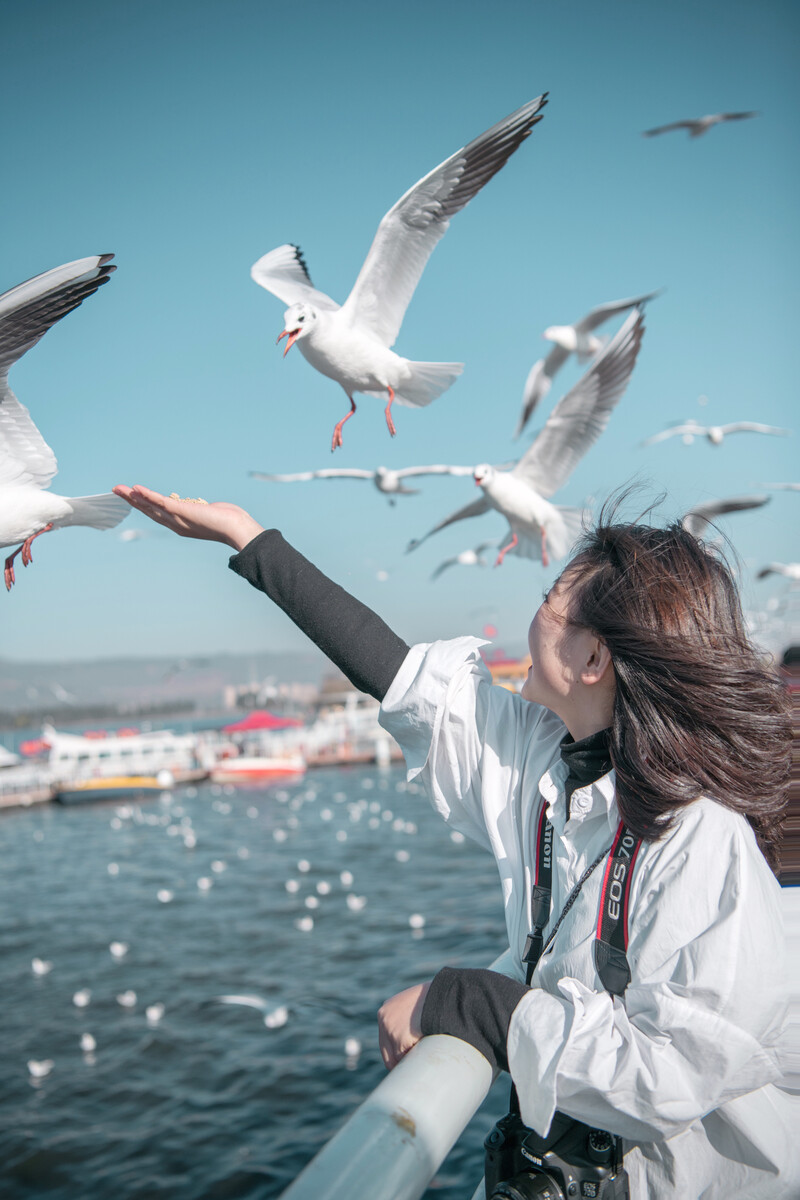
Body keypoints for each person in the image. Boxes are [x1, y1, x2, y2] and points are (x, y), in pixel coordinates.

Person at [112, 483, 797, 1199]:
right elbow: (403, 679)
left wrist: (470, 1005)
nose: (526, 619)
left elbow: (668, 1077)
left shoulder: (704, 842)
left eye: (546, 600)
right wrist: (249, 539)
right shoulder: (548, 756)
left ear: (593, 659)